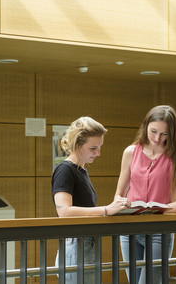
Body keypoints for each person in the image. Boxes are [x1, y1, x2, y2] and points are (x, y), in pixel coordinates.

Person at [114, 105, 176, 284]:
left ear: (172, 133)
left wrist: (153, 210)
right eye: (153, 131)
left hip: (160, 231)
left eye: (164, 134)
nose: (158, 138)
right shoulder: (130, 152)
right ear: (145, 127)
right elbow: (118, 195)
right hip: (129, 230)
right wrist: (122, 205)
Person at [51, 116, 130, 283]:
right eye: (93, 148)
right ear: (78, 145)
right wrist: (107, 210)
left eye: (100, 147)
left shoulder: (81, 170)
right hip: (76, 246)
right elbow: (64, 212)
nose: (98, 153)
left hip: (85, 243)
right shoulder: (65, 170)